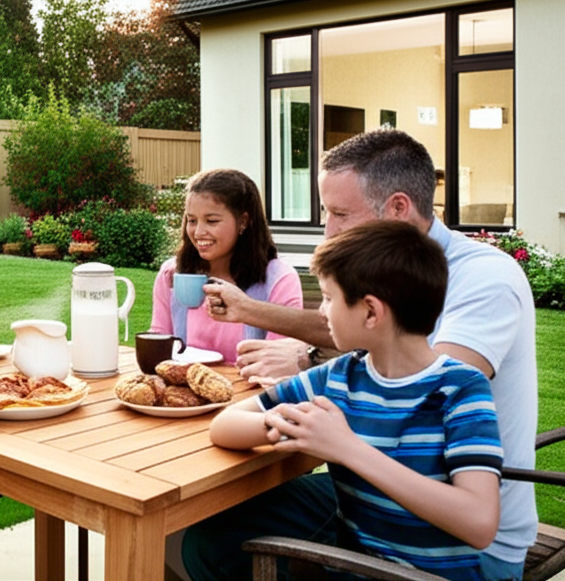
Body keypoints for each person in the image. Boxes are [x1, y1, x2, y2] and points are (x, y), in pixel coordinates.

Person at [188, 129, 536, 580]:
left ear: (397, 209)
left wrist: (309, 366)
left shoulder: (486, 280)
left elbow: (415, 390)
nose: (327, 229)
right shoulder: (362, 329)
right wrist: (301, 395)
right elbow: (362, 355)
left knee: (234, 545)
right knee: (208, 534)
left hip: (456, 545)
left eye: (339, 214)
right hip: (372, 504)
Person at [206, 220, 502, 580]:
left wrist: (347, 448)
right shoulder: (341, 376)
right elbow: (224, 425)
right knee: (209, 542)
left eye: (329, 298)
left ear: (371, 312)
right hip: (353, 568)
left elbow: (479, 523)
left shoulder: (460, 388)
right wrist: (289, 423)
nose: (321, 311)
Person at [150, 169, 302, 365]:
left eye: (211, 221)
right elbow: (158, 344)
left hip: (252, 390)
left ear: (243, 222)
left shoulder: (278, 280)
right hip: (183, 390)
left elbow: (278, 363)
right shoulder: (172, 274)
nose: (198, 232)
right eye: (192, 220)